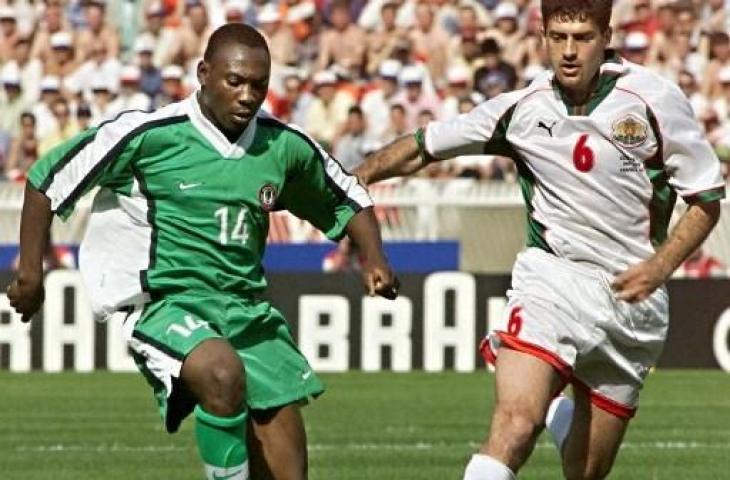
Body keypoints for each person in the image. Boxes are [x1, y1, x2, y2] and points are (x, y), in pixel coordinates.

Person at [7, 23, 398, 480]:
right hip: (165, 303)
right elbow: (47, 179)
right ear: (203, 73)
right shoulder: (150, 134)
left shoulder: (282, 145)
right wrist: (31, 273)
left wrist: (374, 258)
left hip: (248, 314)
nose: (248, 96)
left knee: (286, 469)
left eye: (259, 85)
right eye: (235, 82)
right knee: (220, 375)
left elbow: (347, 195)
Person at [355, 1, 724, 478]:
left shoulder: (655, 100)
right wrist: (353, 177)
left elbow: (705, 199)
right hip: (552, 280)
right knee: (514, 424)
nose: (569, 51)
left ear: (607, 36)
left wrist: (661, 266)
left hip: (632, 301)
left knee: (585, 471)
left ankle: (559, 410)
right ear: (543, 37)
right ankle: (543, 400)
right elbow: (422, 148)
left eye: (582, 37)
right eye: (558, 37)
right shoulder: (521, 108)